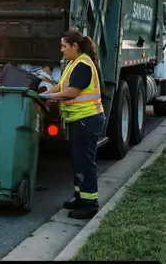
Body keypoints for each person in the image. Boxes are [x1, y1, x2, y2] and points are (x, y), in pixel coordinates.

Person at [40, 30, 105, 220]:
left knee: (84, 162)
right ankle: (80, 197)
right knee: (77, 161)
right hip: (79, 120)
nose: (61, 50)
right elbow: (62, 86)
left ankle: (89, 204)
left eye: (63, 46)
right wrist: (41, 94)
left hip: (87, 119)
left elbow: (72, 92)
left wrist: (49, 97)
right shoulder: (73, 63)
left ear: (74, 46)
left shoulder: (83, 64)